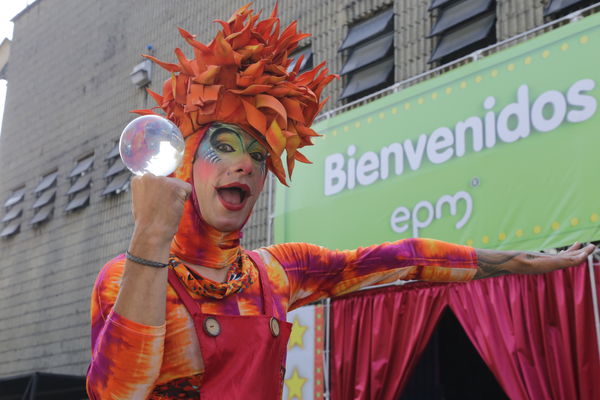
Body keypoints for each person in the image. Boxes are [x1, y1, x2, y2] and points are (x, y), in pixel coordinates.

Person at [85, 4, 596, 399]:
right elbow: (115, 391)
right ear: (185, 160)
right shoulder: (124, 277)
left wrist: (519, 260)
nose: (244, 164)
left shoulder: (276, 273)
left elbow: (404, 260)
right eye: (224, 147)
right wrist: (150, 240)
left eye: (258, 154)